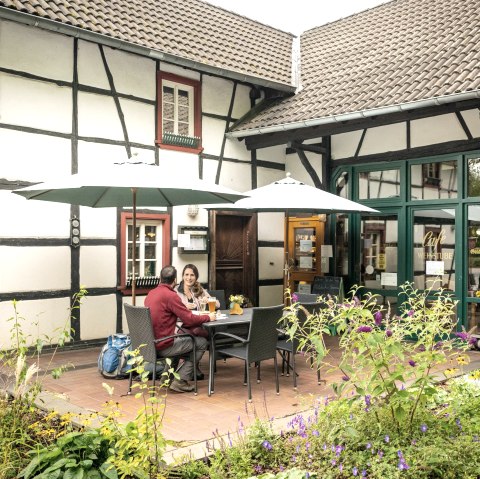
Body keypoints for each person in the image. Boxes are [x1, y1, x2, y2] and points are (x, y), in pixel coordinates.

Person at [145, 265, 216, 393]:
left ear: (160, 278)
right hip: (163, 345)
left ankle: (166, 379)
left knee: (180, 340)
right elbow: (189, 319)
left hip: (149, 345)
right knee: (201, 343)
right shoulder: (170, 296)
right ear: (175, 280)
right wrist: (208, 318)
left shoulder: (151, 293)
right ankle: (180, 380)